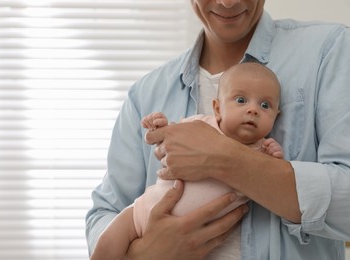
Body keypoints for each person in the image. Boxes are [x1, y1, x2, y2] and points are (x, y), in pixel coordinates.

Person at [86, 1, 350, 259]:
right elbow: (107, 212)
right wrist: (147, 254)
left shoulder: (328, 51)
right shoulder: (145, 94)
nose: (228, 3)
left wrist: (222, 157)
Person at [90, 62, 284, 260]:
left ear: (276, 116)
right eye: (241, 100)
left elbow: (274, 180)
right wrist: (159, 126)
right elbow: (169, 140)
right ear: (217, 108)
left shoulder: (262, 152)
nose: (253, 110)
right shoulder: (200, 124)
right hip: (142, 212)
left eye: (265, 105)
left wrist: (275, 156)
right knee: (107, 244)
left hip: (195, 243)